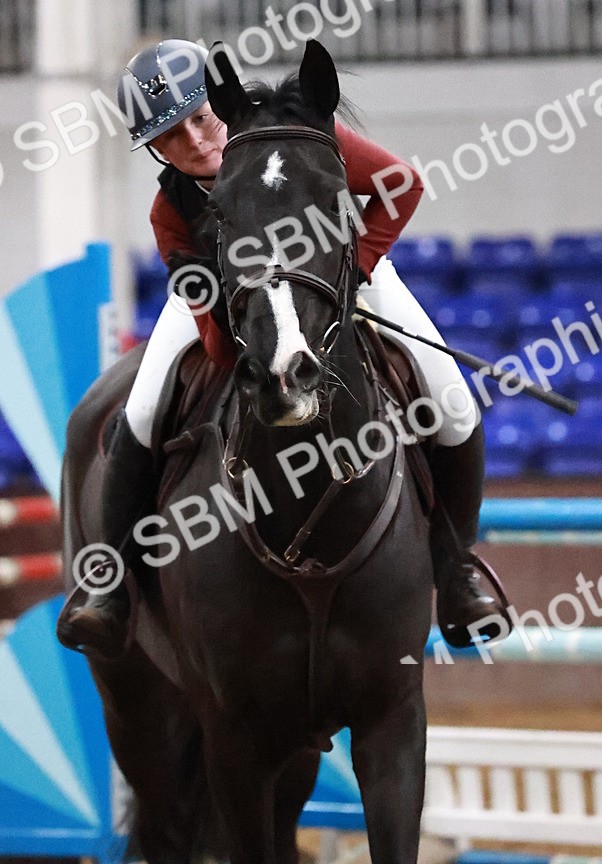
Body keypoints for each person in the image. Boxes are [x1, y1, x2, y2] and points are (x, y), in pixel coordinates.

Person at [57, 39, 508, 658]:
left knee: (452, 398)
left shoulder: (301, 137)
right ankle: (106, 587)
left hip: (344, 280)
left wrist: (360, 268)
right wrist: (238, 331)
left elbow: (402, 184)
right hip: (235, 310)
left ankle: (457, 573)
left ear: (219, 106)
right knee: (139, 410)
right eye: (171, 136)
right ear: (156, 150)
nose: (194, 140)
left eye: (199, 119)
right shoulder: (171, 212)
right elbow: (211, 329)